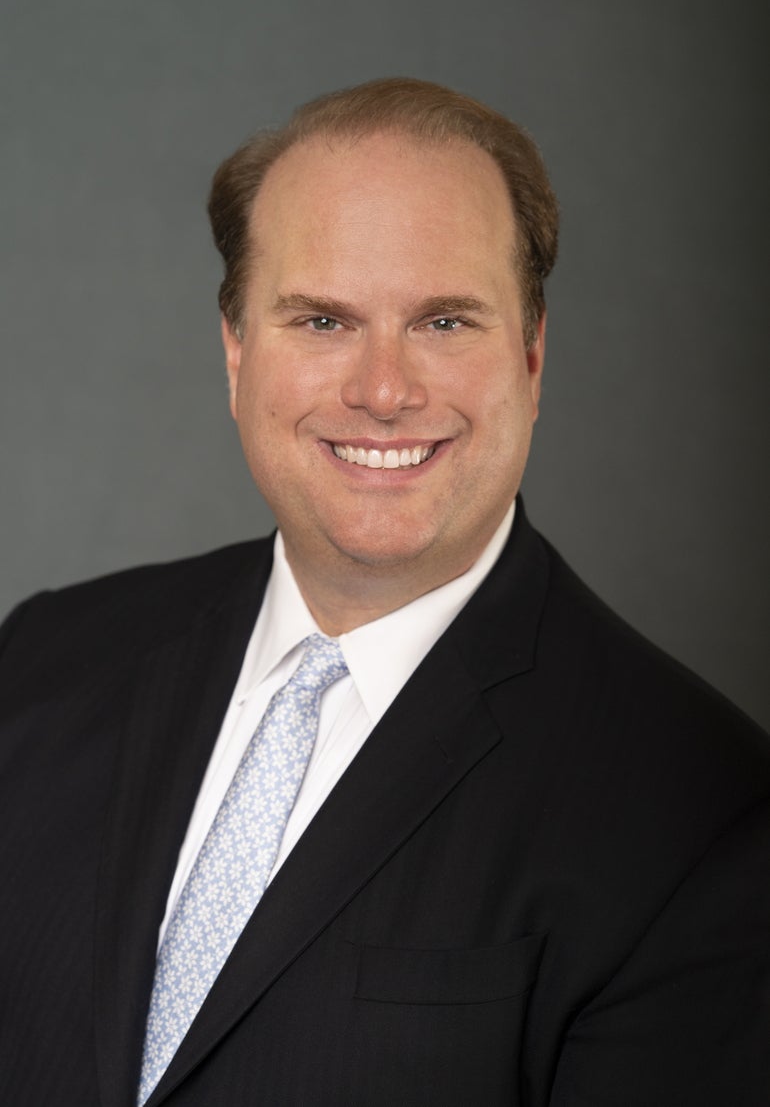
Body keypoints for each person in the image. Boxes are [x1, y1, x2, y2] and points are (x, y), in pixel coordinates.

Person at [0, 78, 768, 1107]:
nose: (382, 389)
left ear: (531, 356)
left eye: (444, 321)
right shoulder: (44, 657)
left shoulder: (702, 812)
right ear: (235, 352)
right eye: (321, 319)